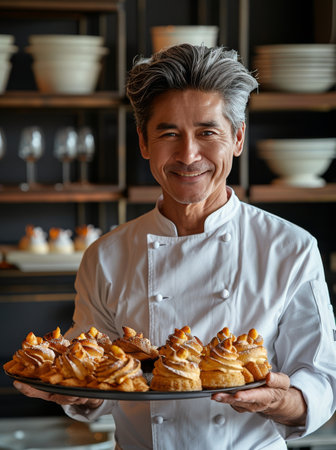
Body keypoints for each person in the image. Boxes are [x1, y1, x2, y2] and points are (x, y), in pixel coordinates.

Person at [14, 44, 336, 450]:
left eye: (207, 132)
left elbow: (322, 380)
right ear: (144, 143)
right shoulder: (106, 256)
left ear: (237, 138)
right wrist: (79, 390)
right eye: (169, 133)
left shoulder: (290, 248)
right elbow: (92, 377)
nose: (188, 155)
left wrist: (277, 399)